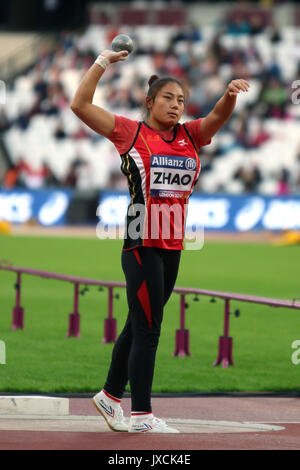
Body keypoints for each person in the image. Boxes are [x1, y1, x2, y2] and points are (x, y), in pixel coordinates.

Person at [71, 47, 250, 433]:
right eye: (168, 98)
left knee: (139, 324)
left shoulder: (189, 135)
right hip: (140, 240)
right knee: (149, 329)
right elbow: (80, 104)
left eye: (182, 100)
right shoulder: (130, 132)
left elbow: (218, 117)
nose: (176, 105)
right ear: (149, 101)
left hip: (173, 244)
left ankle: (108, 396)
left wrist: (229, 95)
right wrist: (102, 62)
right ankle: (142, 416)